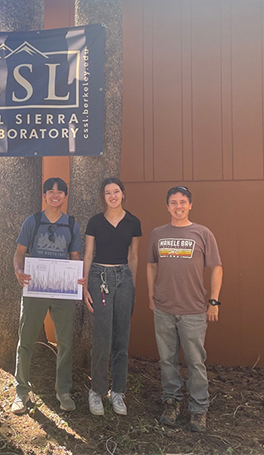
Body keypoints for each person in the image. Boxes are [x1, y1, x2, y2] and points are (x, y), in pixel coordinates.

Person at [147, 185, 222, 432]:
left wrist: (213, 301)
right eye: (173, 202)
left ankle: (199, 409)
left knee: (195, 362)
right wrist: (151, 295)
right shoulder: (158, 233)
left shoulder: (202, 233)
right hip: (164, 309)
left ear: (190, 205)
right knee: (167, 360)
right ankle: (171, 403)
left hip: (194, 310)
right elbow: (151, 266)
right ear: (167, 206)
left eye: (183, 202)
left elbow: (216, 268)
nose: (178, 206)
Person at [11, 177, 83, 414]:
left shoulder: (72, 224)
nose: (55, 195)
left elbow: (74, 258)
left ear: (65, 196)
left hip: (63, 290)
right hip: (35, 288)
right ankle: (21, 391)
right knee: (26, 340)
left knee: (65, 343)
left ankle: (63, 390)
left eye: (60, 192)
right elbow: (19, 253)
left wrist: (78, 276)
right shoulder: (33, 221)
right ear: (44, 196)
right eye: (50, 191)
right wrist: (19, 272)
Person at [80, 178, 142, 416]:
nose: (113, 196)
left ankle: (118, 392)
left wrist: (133, 286)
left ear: (123, 194)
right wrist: (84, 287)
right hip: (99, 277)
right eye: (108, 192)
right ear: (103, 196)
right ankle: (97, 391)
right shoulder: (95, 222)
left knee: (121, 337)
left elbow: (134, 256)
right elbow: (88, 255)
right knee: (102, 336)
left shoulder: (133, 222)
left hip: (124, 277)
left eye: (116, 191)